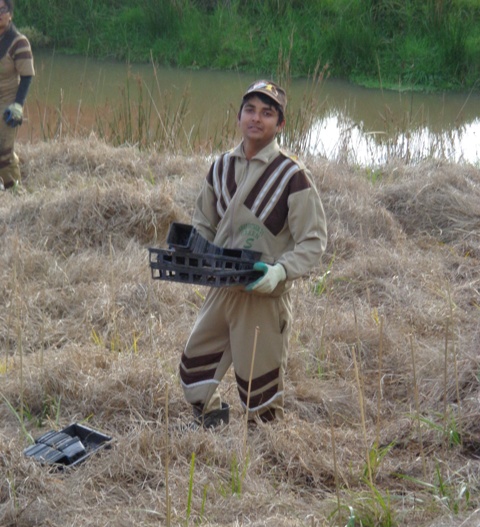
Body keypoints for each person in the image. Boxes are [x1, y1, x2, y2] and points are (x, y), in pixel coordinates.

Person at [179, 80, 327, 427]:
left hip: (263, 297)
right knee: (193, 373)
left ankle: (260, 449)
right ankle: (211, 423)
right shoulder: (220, 167)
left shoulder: (293, 175)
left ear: (280, 124)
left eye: (267, 113)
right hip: (221, 289)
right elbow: (203, 222)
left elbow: (313, 240)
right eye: (250, 110)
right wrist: (194, 252)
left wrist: (280, 271)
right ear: (239, 116)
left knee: (260, 395)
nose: (256, 118)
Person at [0, 0, 35, 192]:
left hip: (7, 103)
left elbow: (27, 76)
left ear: (10, 14)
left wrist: (18, 106)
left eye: (2, 10)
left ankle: (15, 193)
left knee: (3, 152)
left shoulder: (18, 42)